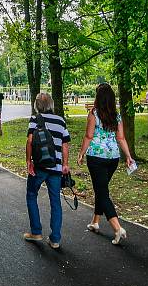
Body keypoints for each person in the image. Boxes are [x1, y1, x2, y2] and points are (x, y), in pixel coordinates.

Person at [76, 83, 134, 245]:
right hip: (113, 158)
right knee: (101, 189)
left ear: (98, 98)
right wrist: (128, 156)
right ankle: (95, 221)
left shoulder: (94, 113)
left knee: (102, 192)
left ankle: (117, 228)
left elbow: (88, 136)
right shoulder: (116, 115)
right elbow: (121, 138)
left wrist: (81, 153)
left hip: (96, 158)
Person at [24, 92, 71, 249]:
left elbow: (30, 141)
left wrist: (28, 161)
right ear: (51, 104)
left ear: (37, 105)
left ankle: (36, 232)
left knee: (31, 194)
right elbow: (65, 144)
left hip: (39, 166)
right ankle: (55, 239)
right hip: (56, 167)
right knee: (55, 201)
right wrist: (65, 164)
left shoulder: (34, 119)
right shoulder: (61, 121)